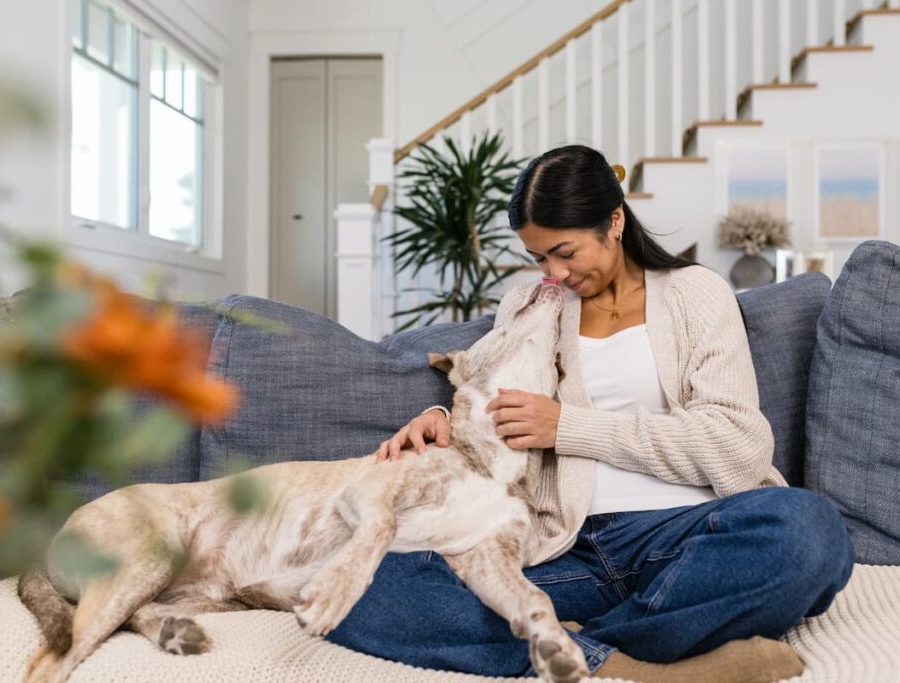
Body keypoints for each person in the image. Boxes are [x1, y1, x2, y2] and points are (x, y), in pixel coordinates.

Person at [328, 144, 854, 683]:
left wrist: (567, 427)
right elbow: (488, 393)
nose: (554, 273)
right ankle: (632, 664)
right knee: (362, 579)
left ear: (615, 221)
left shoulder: (696, 294)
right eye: (538, 258)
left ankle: (567, 646)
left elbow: (739, 447)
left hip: (687, 539)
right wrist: (441, 417)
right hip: (562, 551)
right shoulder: (529, 305)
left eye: (565, 252)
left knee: (809, 532)